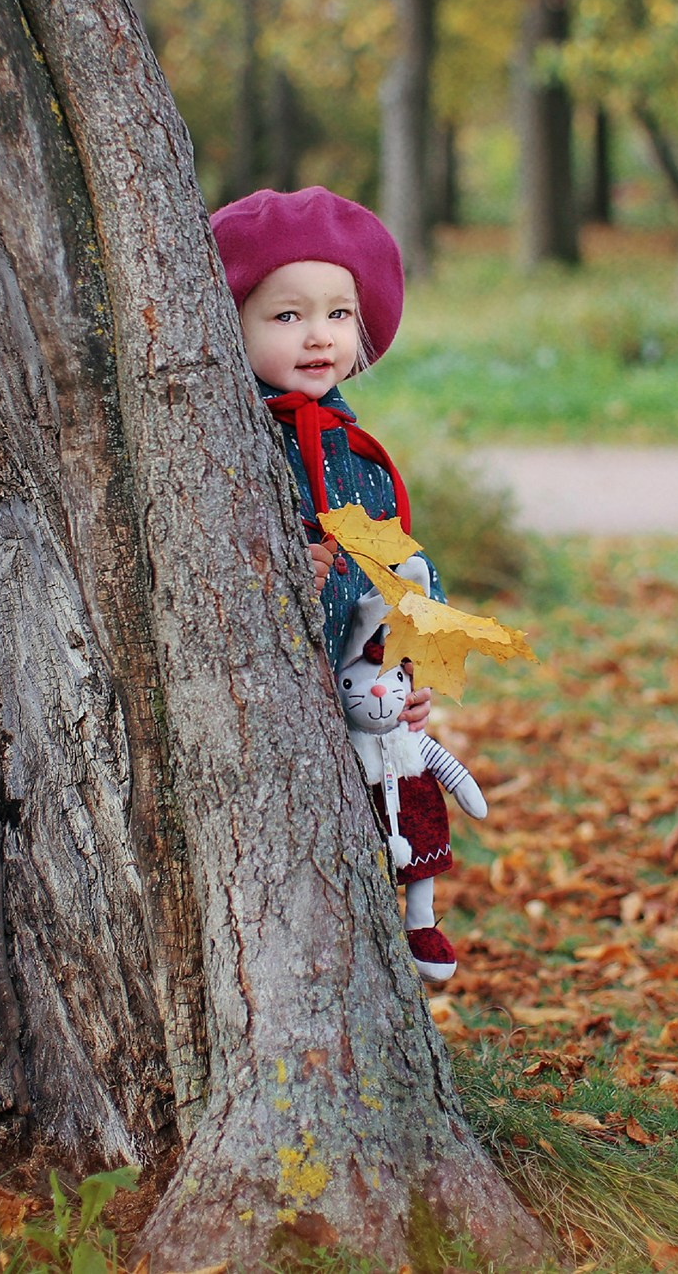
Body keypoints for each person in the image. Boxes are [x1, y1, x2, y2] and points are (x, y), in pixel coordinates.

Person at [210, 186, 474, 983]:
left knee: (371, 844)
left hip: (353, 717)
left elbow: (405, 579)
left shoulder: (361, 456)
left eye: (338, 314)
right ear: (233, 323)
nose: (318, 335)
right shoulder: (227, 440)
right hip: (255, 719)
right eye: (286, 315)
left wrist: (413, 676)